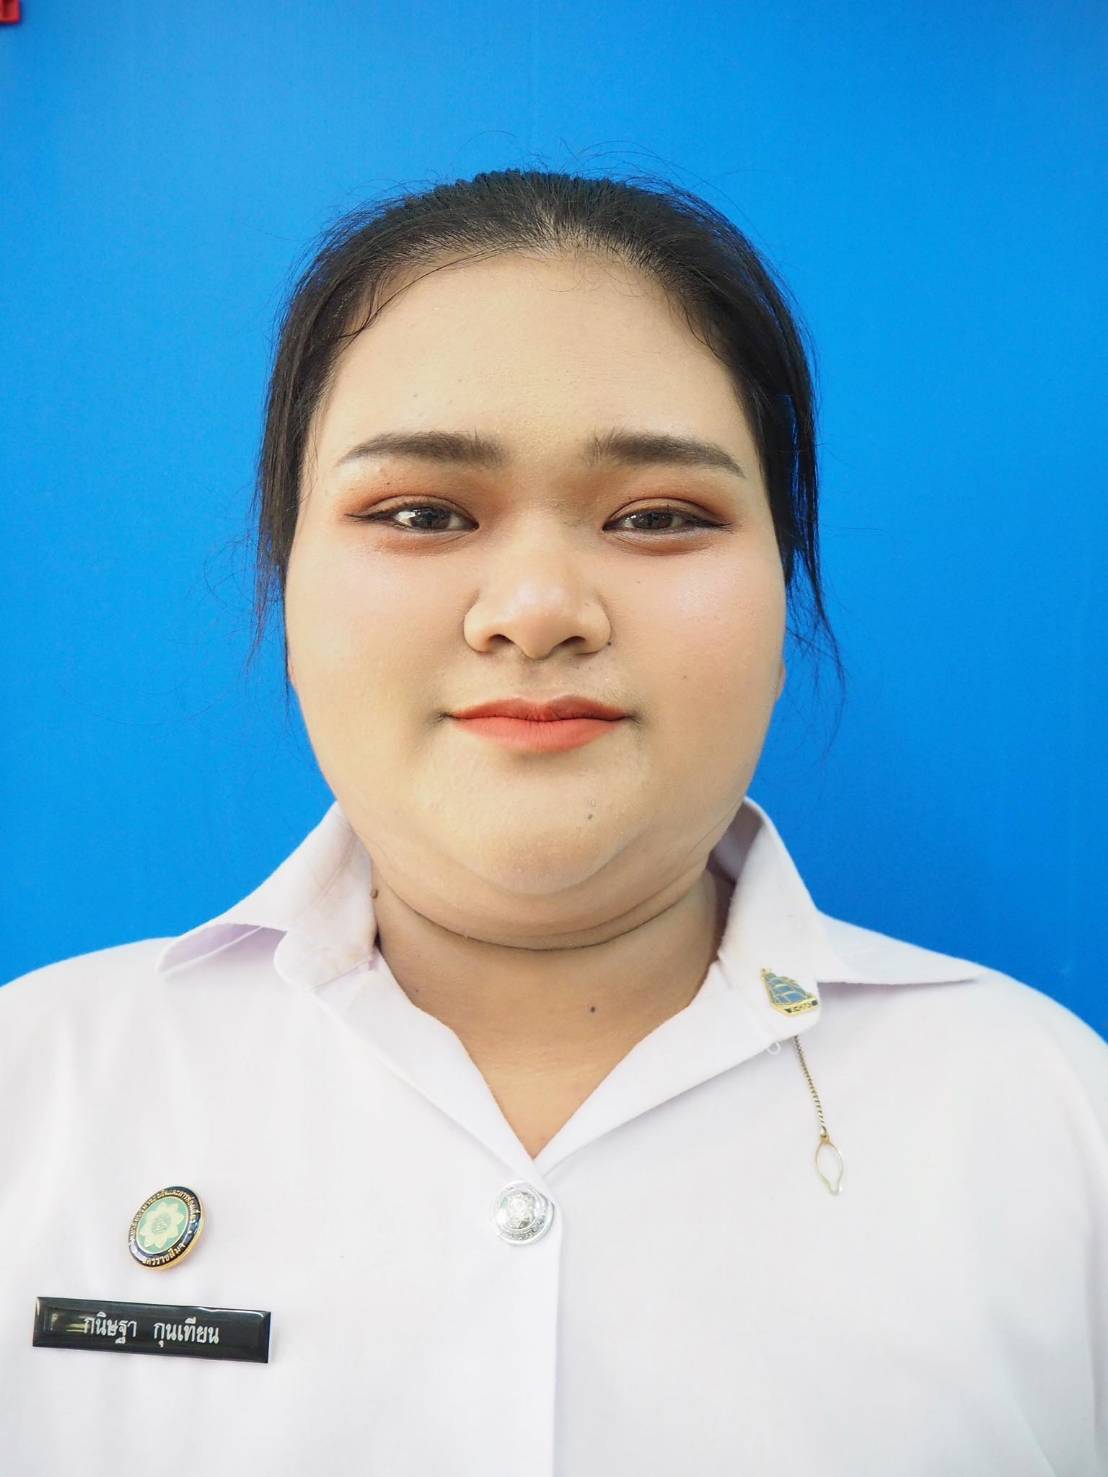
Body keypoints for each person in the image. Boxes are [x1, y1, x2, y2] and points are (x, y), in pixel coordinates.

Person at [1, 168, 1104, 1476]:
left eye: (658, 517)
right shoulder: (34, 1093)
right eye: (422, 514)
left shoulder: (1053, 1127)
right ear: (286, 594)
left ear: (784, 605)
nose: (535, 610)